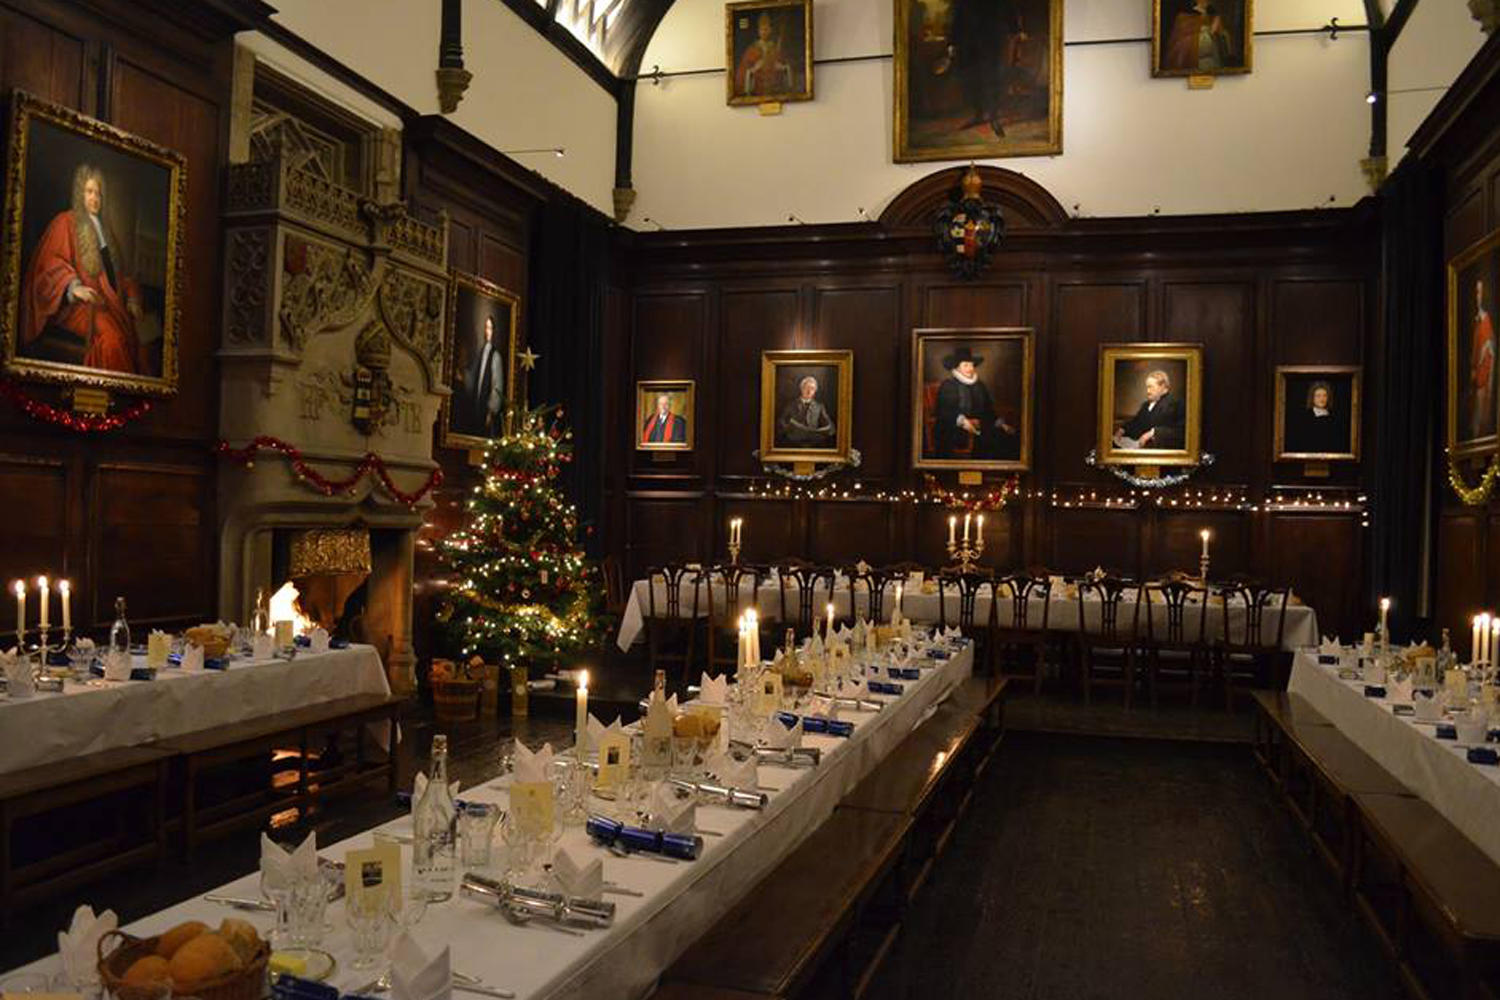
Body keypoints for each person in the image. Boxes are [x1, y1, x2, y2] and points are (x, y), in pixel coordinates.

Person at [19, 164, 146, 374]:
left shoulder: (106, 232)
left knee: (142, 341)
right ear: (80, 193)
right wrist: (73, 287)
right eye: (89, 192)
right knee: (112, 340)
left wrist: (132, 297)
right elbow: (49, 263)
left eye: (98, 194)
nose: (95, 198)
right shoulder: (65, 222)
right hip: (77, 307)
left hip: (109, 305)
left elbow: (116, 276)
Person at [940, 0, 1028, 139]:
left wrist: (1017, 30)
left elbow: (1009, 9)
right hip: (968, 44)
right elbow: (957, 19)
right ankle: (978, 114)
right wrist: (952, 42)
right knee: (972, 81)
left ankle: (993, 117)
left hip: (991, 42)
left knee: (992, 80)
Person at [932, 346, 1019, 460]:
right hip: (953, 428)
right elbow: (944, 412)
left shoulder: (979, 385)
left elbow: (988, 410)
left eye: (972, 365)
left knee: (1005, 437)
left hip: (979, 426)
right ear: (957, 368)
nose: (970, 368)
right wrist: (963, 421)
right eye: (966, 365)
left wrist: (1001, 424)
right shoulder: (948, 385)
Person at [461, 314, 506, 439]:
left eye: (490, 328)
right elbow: (474, 378)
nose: (487, 331)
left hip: (486, 410)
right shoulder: (480, 353)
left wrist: (490, 412)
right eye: (486, 328)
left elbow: (497, 386)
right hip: (476, 406)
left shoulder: (495, 356)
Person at [1115, 369, 1185, 449]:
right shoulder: (1146, 405)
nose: (1148, 391)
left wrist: (1153, 433)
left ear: (1163, 387)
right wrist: (1123, 429)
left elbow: (1181, 431)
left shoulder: (1175, 404)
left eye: (1151, 387)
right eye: (1147, 387)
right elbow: (1136, 422)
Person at [1163, 1, 1234, 73]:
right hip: (1196, 63)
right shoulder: (1185, 16)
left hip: (1214, 62)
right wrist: (1210, 33)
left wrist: (1220, 33)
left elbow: (1224, 42)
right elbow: (1180, 44)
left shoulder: (1213, 16)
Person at [735, 11, 794, 98]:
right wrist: (754, 69)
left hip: (775, 90)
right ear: (758, 31)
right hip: (757, 90)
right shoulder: (751, 49)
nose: (764, 32)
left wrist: (782, 68)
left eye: (766, 29)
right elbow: (743, 72)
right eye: (762, 29)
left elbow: (786, 66)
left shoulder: (776, 48)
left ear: (770, 30)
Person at [777, 375, 835, 448]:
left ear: (815, 391)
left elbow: (830, 426)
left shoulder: (819, 406)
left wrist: (825, 429)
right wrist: (789, 429)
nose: (809, 391)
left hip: (815, 444)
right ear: (801, 389)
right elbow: (781, 422)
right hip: (794, 443)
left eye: (812, 389)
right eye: (806, 388)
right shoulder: (791, 405)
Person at [1289, 381, 1345, 455]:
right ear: (1312, 398)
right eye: (1318, 396)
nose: (1322, 399)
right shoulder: (1305, 418)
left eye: (1325, 395)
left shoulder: (1334, 418)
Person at [1471, 277, 1495, 441]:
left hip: (1483, 371)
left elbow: (1488, 348)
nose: (1477, 296)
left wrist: (1478, 367)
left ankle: (1479, 432)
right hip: (1477, 370)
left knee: (1480, 407)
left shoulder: (1485, 320)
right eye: (1476, 292)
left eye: (1479, 292)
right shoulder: (1477, 321)